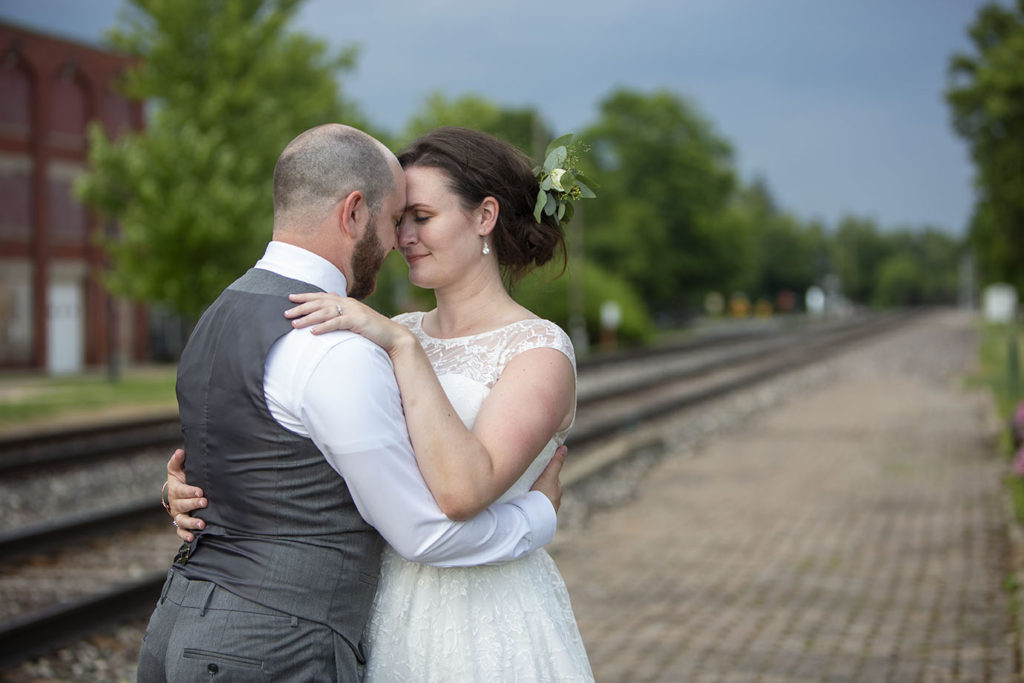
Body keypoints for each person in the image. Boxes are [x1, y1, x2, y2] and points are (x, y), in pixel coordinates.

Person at [139, 123, 568, 682]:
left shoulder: (528, 349)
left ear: (484, 217)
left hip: (474, 618)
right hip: (362, 619)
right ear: (354, 213)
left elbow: (453, 491)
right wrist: (539, 514)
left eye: (421, 217)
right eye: (398, 219)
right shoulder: (371, 336)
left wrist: (401, 346)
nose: (402, 239)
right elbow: (280, 451)